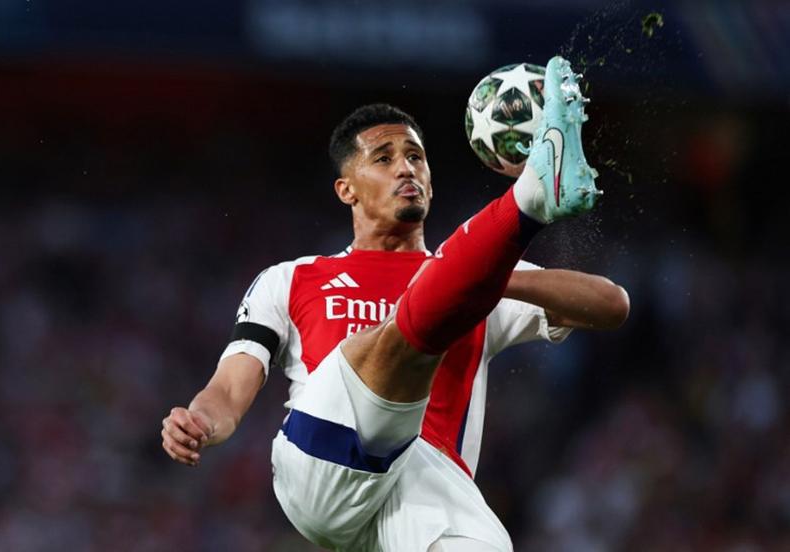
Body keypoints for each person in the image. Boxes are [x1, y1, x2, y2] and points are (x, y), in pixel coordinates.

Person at [161, 56, 629, 551]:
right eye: (383, 158)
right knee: (389, 347)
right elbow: (230, 387)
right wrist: (202, 422)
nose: (405, 167)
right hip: (327, 469)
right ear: (347, 189)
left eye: (416, 157)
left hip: (424, 489)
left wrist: (487, 277)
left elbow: (612, 304)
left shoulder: (487, 280)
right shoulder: (292, 279)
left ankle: (523, 206)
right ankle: (529, 198)